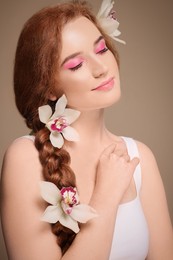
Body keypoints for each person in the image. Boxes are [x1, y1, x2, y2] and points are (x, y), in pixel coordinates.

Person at [1, 0, 173, 259]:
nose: (101, 68)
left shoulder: (141, 157)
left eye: (102, 49)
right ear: (48, 87)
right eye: (76, 65)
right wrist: (106, 195)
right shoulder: (26, 157)